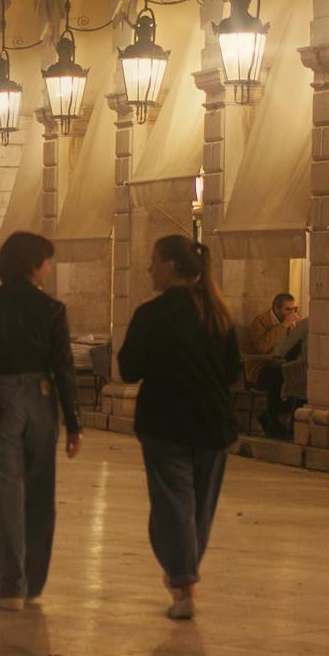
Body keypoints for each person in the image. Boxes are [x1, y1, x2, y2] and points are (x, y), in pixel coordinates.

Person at [0, 232, 83, 613]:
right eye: (46, 262)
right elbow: (64, 368)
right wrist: (74, 423)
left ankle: (11, 586)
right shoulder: (51, 310)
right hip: (40, 399)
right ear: (32, 265)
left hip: (2, 396)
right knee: (39, 490)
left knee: (4, 491)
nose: (49, 269)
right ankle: (32, 579)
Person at [119, 234, 242, 621]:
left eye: (153, 260)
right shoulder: (218, 314)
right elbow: (233, 372)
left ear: (170, 266)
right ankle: (183, 575)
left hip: (165, 423)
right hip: (212, 425)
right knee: (199, 508)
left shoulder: (150, 315)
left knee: (172, 504)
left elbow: (128, 368)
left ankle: (184, 582)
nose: (149, 268)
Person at [247, 292, 305, 438]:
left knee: (301, 377)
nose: (291, 313)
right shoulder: (259, 322)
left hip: (281, 364)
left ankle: (286, 420)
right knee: (280, 376)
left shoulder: (289, 325)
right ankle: (272, 420)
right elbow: (262, 346)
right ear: (276, 308)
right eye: (287, 309)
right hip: (260, 368)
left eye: (293, 309)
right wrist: (284, 325)